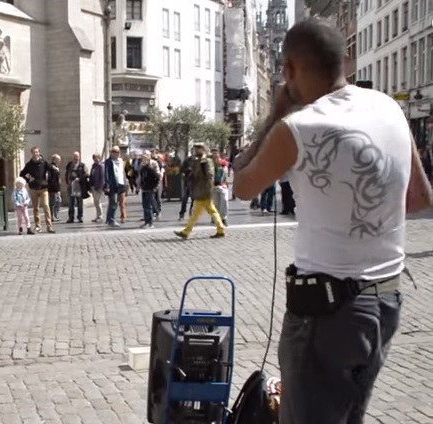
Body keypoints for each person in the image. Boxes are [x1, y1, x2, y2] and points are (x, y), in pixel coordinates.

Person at [231, 19, 432, 424]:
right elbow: (420, 198)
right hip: (385, 299)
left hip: (326, 312)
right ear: (345, 60)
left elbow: (242, 184)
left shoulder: (298, 127)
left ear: (289, 70)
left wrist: (277, 111)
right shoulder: (388, 106)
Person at [174, 143, 225, 239]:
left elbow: (210, 176)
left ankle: (186, 232)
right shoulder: (198, 161)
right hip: (200, 190)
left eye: (197, 149)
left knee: (201, 212)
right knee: (208, 211)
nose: (195, 151)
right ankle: (220, 229)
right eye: (194, 149)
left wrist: (208, 190)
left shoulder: (206, 161)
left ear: (202, 149)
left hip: (204, 191)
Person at [19, 147, 56, 233]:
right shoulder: (29, 164)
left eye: (37, 152)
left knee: (46, 206)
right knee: (35, 208)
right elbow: (22, 174)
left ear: (39, 153)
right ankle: (38, 226)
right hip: (33, 188)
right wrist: (28, 180)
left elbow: (52, 170)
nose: (35, 154)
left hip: (43, 188)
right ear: (31, 153)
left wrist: (49, 181)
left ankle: (49, 226)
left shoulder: (44, 163)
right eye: (33, 152)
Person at [103, 146, 128, 226]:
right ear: (111, 152)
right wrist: (107, 185)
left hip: (120, 184)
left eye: (117, 152)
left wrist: (125, 182)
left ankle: (109, 219)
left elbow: (122, 172)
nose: (116, 153)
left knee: (118, 203)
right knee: (113, 202)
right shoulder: (108, 161)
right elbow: (106, 174)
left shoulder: (120, 161)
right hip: (112, 184)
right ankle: (111, 219)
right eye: (114, 152)